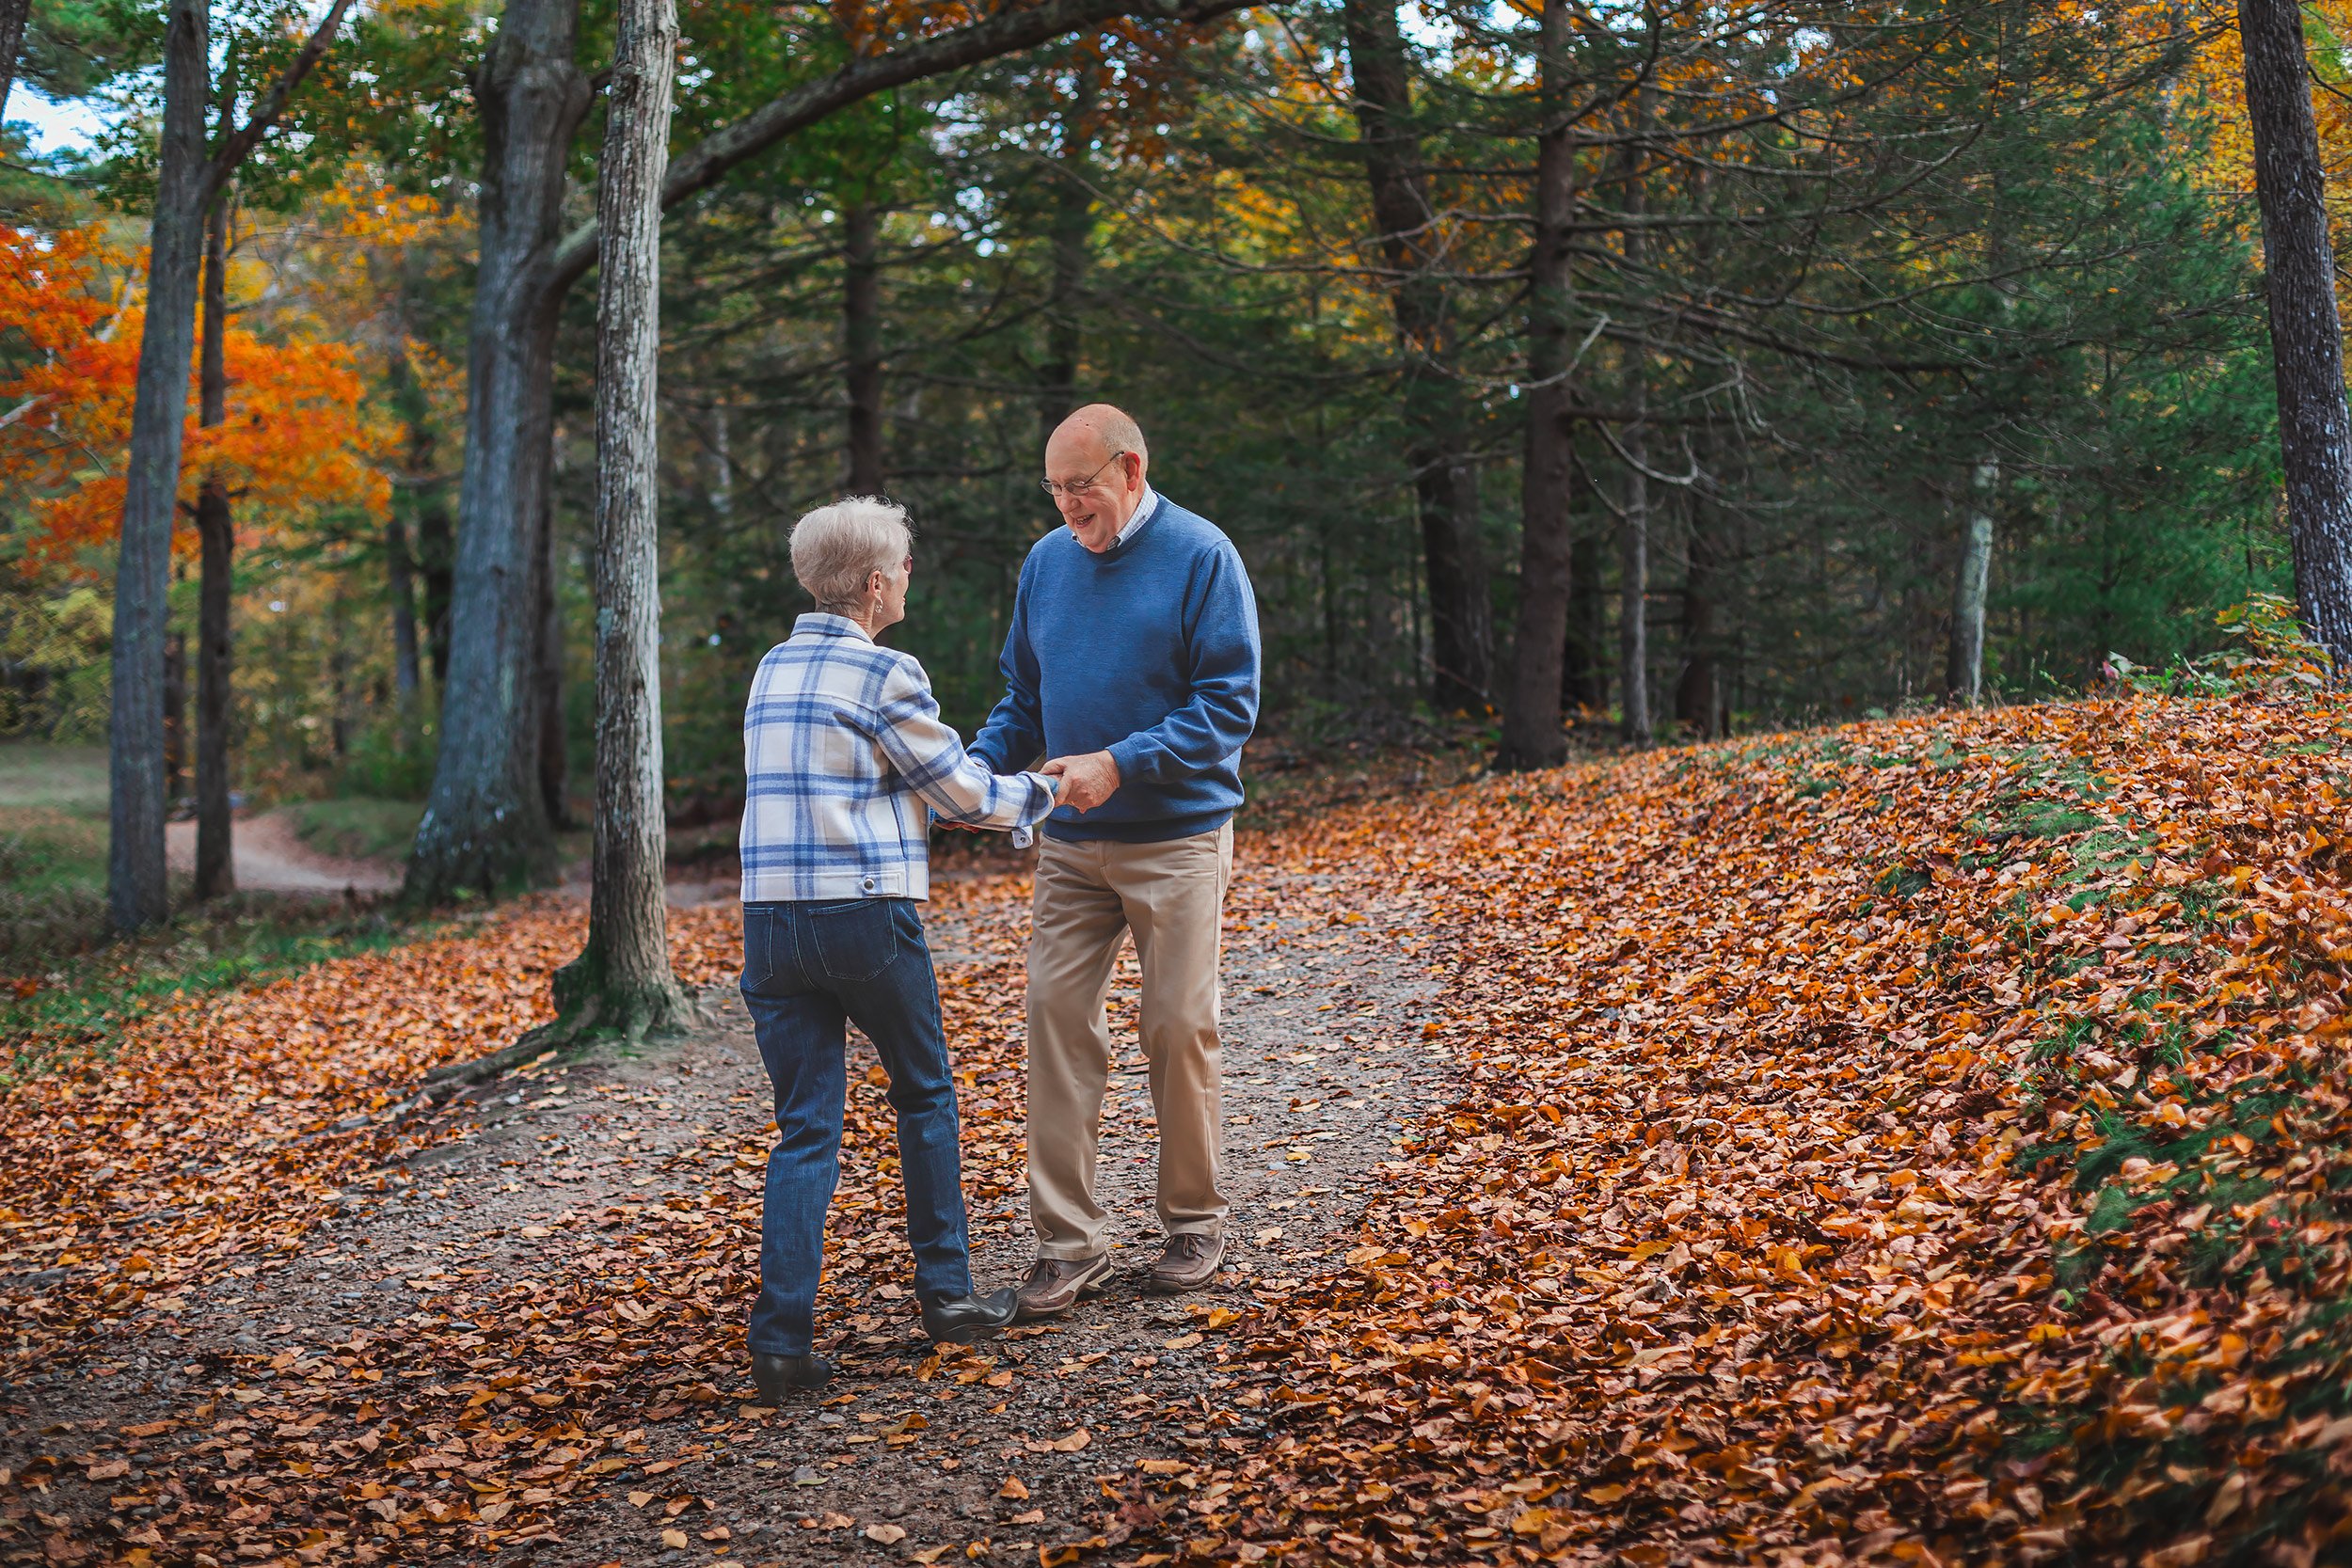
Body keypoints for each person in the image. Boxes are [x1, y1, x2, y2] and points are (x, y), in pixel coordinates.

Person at [738, 497, 1063, 1401]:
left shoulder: (770, 668)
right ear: (878, 583)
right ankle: (949, 1296)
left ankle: (781, 1343)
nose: (910, 577)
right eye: (907, 565)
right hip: (862, 917)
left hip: (770, 925)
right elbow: (958, 790)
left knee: (805, 1128)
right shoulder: (884, 672)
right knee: (923, 1091)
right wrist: (1042, 791)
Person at [969, 404, 1263, 1318]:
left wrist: (1121, 760)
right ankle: (1069, 1241)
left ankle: (1192, 1219)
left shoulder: (1201, 556)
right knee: (1056, 1022)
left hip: (1175, 836)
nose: (1067, 507)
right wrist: (971, 772)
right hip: (1068, 845)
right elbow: (1026, 693)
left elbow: (1227, 704)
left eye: (1081, 487)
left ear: (1130, 470)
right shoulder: (1047, 563)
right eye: (1054, 490)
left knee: (1176, 1025)